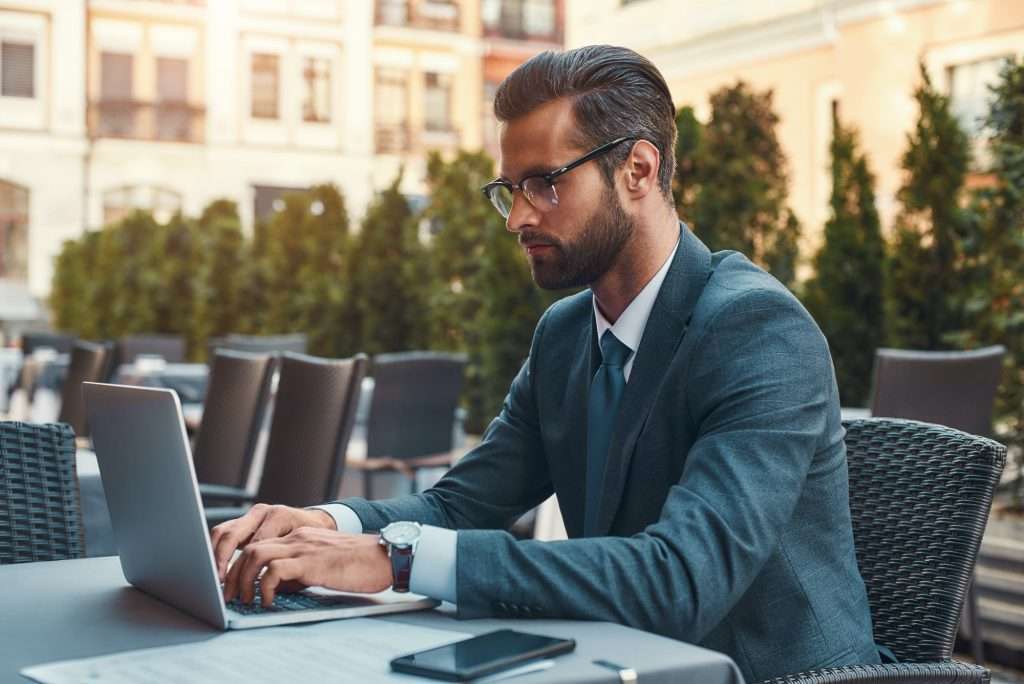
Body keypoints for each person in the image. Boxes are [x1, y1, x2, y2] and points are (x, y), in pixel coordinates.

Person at [213, 45, 880, 681]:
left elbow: (679, 578)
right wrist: (327, 526)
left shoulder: (755, 329)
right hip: (616, 662)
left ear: (639, 171)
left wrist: (399, 559)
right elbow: (463, 504)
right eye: (510, 190)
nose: (518, 218)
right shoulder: (564, 335)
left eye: (544, 184)